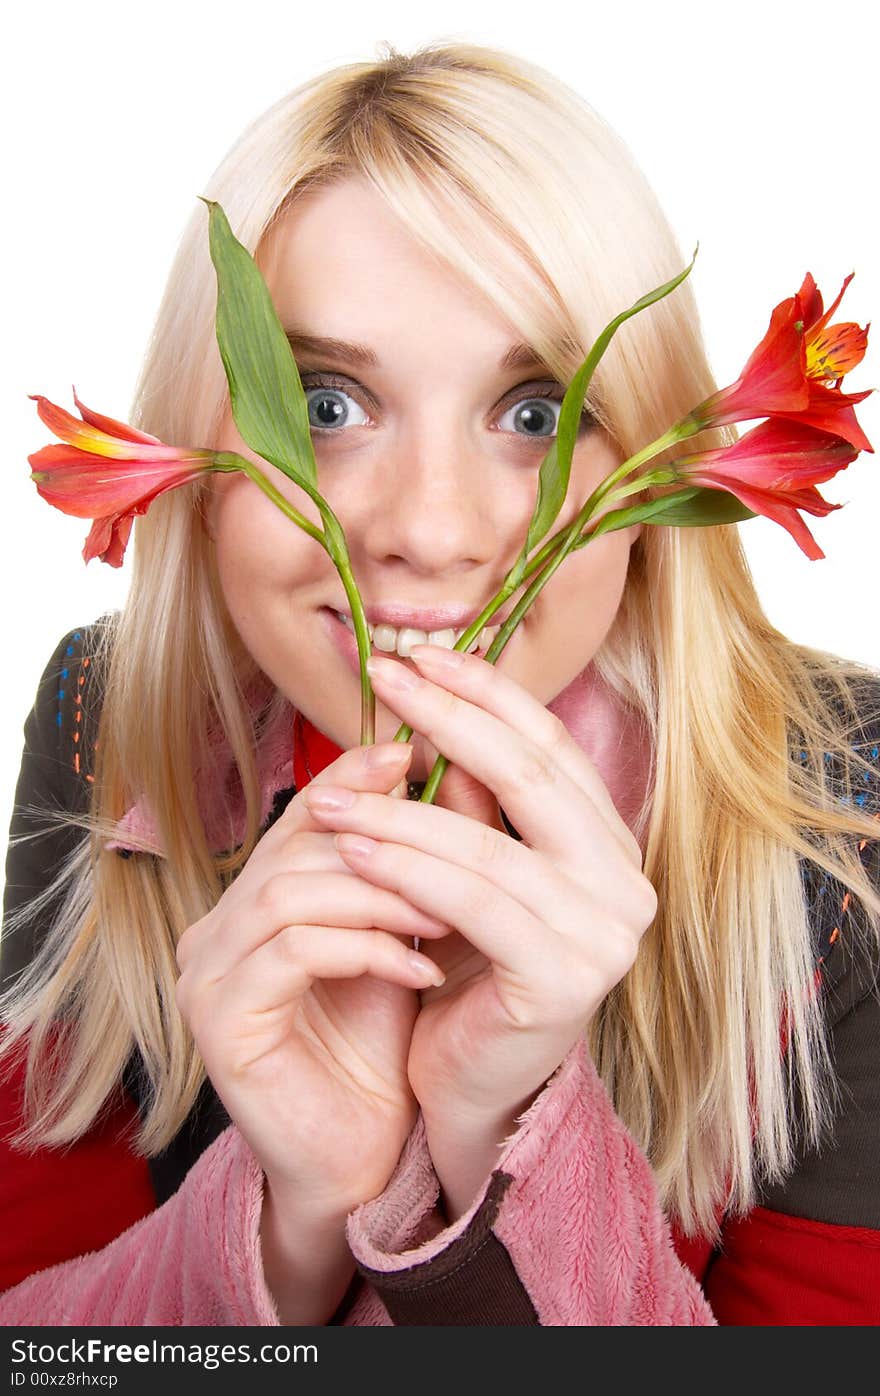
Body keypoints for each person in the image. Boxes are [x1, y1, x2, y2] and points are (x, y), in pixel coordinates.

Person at [2, 40, 879, 1328]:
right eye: (322, 400)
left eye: (536, 411)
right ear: (196, 436)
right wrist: (293, 1214)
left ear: (655, 478)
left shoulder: (849, 807)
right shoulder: (107, 713)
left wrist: (504, 1130)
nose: (431, 532)